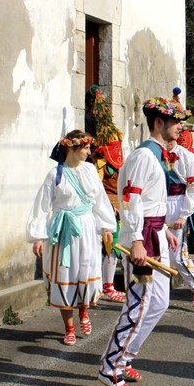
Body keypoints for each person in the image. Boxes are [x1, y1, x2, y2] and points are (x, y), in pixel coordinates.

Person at [98, 96, 185, 386]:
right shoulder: (144, 156)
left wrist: (164, 230)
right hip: (143, 237)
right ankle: (109, 367)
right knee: (138, 305)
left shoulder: (157, 155)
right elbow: (129, 198)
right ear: (159, 123)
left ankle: (123, 360)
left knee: (158, 303)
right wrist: (136, 239)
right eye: (175, 122)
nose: (180, 128)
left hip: (154, 233)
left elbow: (150, 201)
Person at [26, 130, 116, 346]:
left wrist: (106, 227)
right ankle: (69, 328)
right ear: (72, 148)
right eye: (86, 148)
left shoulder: (90, 170)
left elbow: (99, 200)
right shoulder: (55, 174)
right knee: (65, 276)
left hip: (87, 229)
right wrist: (38, 236)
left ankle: (83, 311)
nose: (89, 152)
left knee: (85, 270)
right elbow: (42, 205)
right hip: (63, 230)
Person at [165, 88, 194, 311]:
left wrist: (183, 215)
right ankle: (155, 295)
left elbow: (192, 189)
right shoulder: (154, 152)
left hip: (177, 204)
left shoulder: (187, 156)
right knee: (157, 254)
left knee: (178, 257)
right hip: (158, 206)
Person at [85, 85, 127, 303]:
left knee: (115, 247)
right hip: (104, 210)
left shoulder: (119, 164)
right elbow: (97, 189)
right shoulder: (99, 165)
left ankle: (108, 285)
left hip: (116, 208)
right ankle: (105, 287)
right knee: (107, 247)